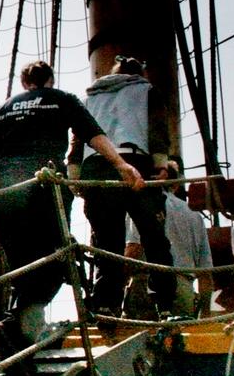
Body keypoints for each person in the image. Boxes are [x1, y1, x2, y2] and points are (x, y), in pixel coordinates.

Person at [0, 60, 145, 353]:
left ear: (23, 82)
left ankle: (19, 345)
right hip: (42, 187)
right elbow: (94, 134)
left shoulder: (4, 109)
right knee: (56, 263)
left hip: (5, 192)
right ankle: (13, 324)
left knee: (22, 271)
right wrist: (121, 164)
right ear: (50, 80)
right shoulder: (62, 99)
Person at [71, 55, 173, 316]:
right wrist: (161, 164)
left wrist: (74, 171)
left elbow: (78, 136)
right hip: (133, 162)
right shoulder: (146, 90)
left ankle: (106, 304)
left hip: (94, 167)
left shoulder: (90, 98)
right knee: (153, 237)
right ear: (140, 73)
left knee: (106, 241)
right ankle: (165, 303)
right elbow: (157, 128)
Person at [125, 160, 214, 317]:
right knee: (178, 339)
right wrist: (205, 313)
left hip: (148, 287)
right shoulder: (195, 217)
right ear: (175, 185)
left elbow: (134, 250)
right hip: (184, 291)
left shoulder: (144, 206)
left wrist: (115, 286)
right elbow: (205, 273)